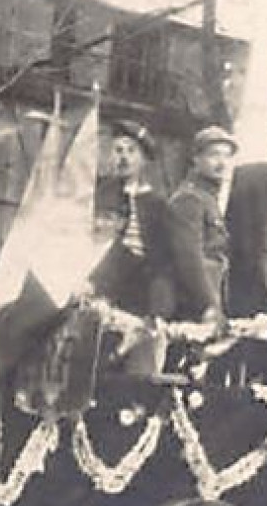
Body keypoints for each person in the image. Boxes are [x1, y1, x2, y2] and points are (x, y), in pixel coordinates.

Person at [87, 123, 218, 375]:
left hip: (135, 302)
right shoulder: (98, 196)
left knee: (133, 374)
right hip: (94, 292)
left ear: (144, 159)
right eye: (118, 150)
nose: (123, 157)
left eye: (131, 151)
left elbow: (164, 264)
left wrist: (159, 309)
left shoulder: (156, 206)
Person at [167, 126, 235, 324]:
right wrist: (209, 306)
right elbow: (189, 259)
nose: (222, 163)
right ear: (196, 159)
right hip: (192, 302)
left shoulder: (208, 198)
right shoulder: (189, 198)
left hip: (208, 294)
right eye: (214, 155)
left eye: (226, 156)